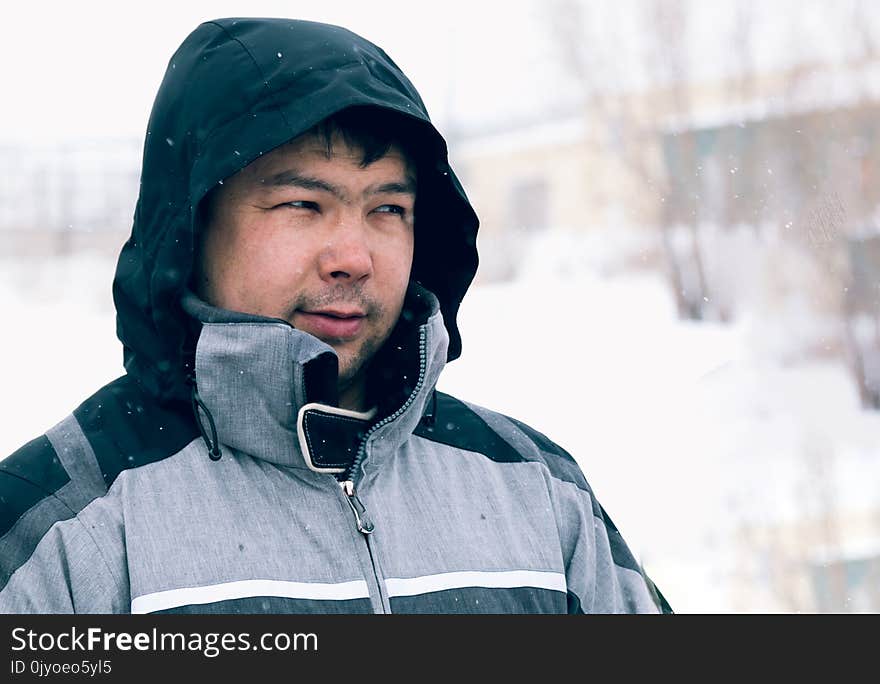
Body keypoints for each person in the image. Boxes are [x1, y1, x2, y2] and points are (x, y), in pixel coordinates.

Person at [0, 17, 671, 614]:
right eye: (302, 204)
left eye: (388, 209)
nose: (353, 257)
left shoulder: (538, 491)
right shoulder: (64, 521)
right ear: (192, 229)